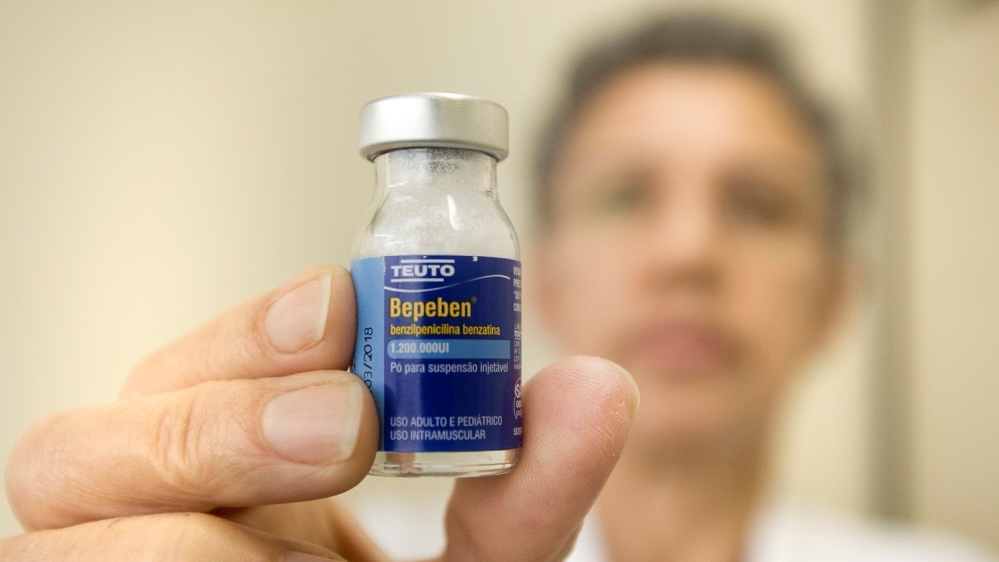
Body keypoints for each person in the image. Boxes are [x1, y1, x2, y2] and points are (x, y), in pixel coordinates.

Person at [0, 11, 993, 562]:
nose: (688, 250)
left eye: (758, 203)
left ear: (835, 298)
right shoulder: (341, 549)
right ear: (539, 276)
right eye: (625, 194)